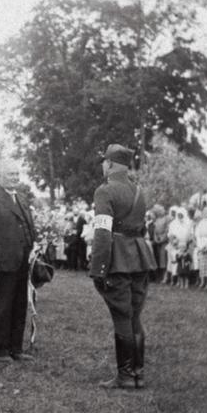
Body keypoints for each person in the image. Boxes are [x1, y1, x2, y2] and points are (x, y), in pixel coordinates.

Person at [89, 144, 156, 390]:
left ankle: (126, 376)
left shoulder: (104, 191)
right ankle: (137, 373)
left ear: (109, 164)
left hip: (118, 260)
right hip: (140, 258)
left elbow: (103, 233)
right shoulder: (139, 191)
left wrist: (99, 268)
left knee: (121, 317)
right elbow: (142, 228)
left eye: (103, 162)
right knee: (135, 316)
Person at [0, 160, 37, 363]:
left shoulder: (20, 198)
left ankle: (16, 348)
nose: (15, 178)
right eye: (11, 174)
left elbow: (28, 226)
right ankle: (1, 350)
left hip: (21, 262)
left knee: (20, 305)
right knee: (2, 307)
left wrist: (34, 247)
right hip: (2, 264)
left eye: (17, 174)